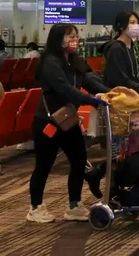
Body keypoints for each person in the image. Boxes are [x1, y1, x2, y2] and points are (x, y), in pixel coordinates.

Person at [27, 24, 111, 223]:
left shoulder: (75, 60)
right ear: (58, 39)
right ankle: (35, 207)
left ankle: (74, 205)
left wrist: (110, 93)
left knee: (79, 159)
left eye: (75, 35)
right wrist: (91, 100)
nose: (74, 39)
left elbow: (90, 81)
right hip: (48, 122)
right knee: (44, 165)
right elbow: (63, 89)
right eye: (69, 36)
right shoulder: (50, 61)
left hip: (68, 120)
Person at [100, 10, 139, 98]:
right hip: (120, 100)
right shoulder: (116, 48)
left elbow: (133, 77)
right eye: (132, 22)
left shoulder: (130, 47)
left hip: (131, 98)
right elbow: (120, 79)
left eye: (137, 23)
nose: (136, 26)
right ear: (121, 26)